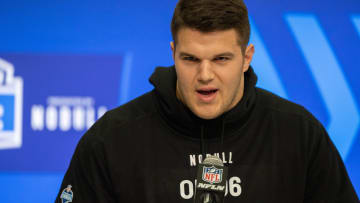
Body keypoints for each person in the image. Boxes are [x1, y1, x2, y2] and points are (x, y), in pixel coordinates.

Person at [55, 0, 359, 202]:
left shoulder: (299, 133)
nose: (205, 75)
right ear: (173, 52)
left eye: (221, 59)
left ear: (246, 57)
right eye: (190, 59)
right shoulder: (112, 139)